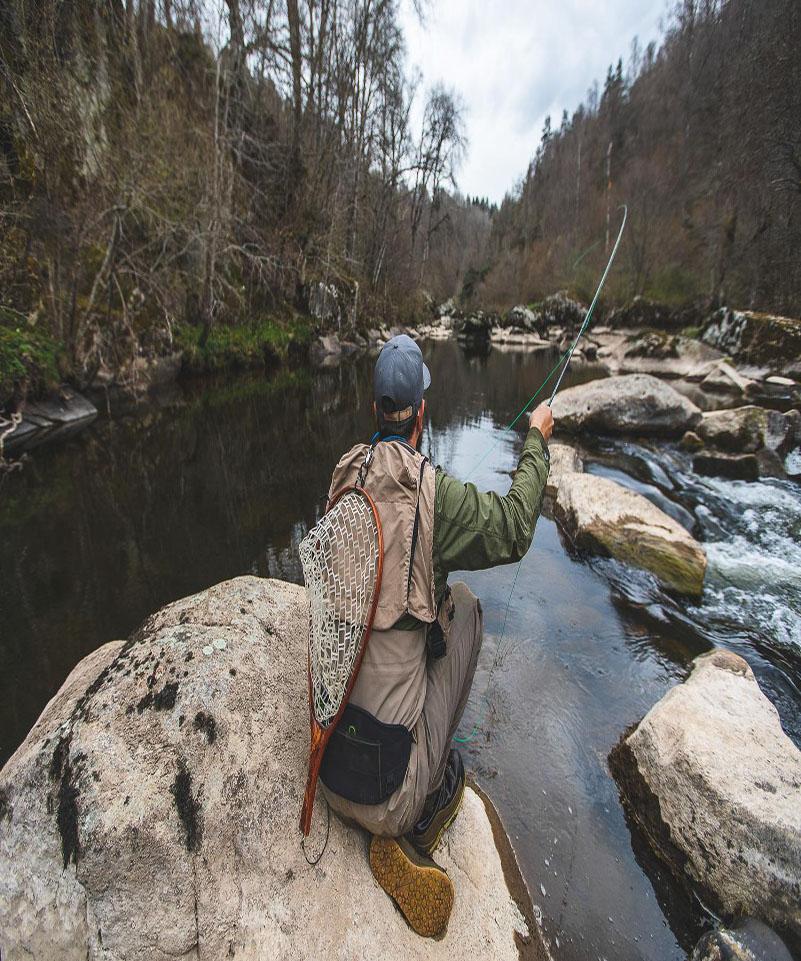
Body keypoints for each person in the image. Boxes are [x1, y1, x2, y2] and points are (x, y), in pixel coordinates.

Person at [318, 334, 552, 938]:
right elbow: (513, 530)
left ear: (375, 411)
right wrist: (537, 443)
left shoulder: (342, 477)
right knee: (466, 609)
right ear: (423, 412)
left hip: (327, 764)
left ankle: (398, 812)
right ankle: (412, 828)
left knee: (419, 613)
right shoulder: (434, 496)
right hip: (385, 794)